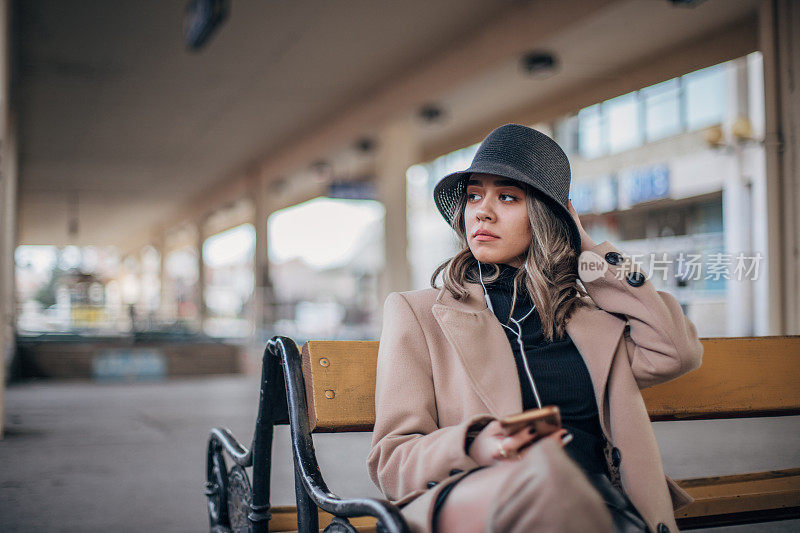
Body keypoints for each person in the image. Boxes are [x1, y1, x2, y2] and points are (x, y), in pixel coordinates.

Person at [366, 124, 704, 533]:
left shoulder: (592, 322)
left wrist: (588, 250)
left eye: (507, 197)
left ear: (546, 216)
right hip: (481, 499)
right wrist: (474, 442)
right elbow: (392, 461)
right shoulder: (417, 313)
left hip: (595, 503)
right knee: (544, 473)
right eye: (474, 195)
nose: (482, 211)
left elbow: (675, 350)